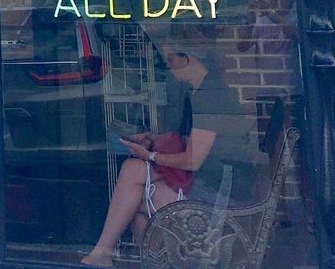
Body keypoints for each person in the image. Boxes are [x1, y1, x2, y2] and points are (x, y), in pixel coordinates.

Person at [81, 47, 256, 267]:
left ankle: (109, 254)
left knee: (132, 202)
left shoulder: (210, 97)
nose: (168, 67)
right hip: (208, 180)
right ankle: (107, 253)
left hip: (216, 192)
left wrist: (151, 155)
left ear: (189, 59)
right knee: (132, 172)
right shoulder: (205, 91)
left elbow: (193, 160)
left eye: (171, 61)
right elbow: (190, 142)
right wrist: (153, 140)